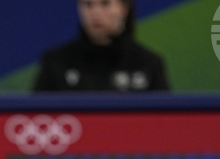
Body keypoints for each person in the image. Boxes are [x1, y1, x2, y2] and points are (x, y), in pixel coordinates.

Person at [34, 0, 168, 92]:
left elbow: (162, 123)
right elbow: (39, 119)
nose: (96, 13)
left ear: (124, 8)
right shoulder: (56, 63)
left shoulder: (147, 64)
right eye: (88, 4)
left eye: (105, 3)